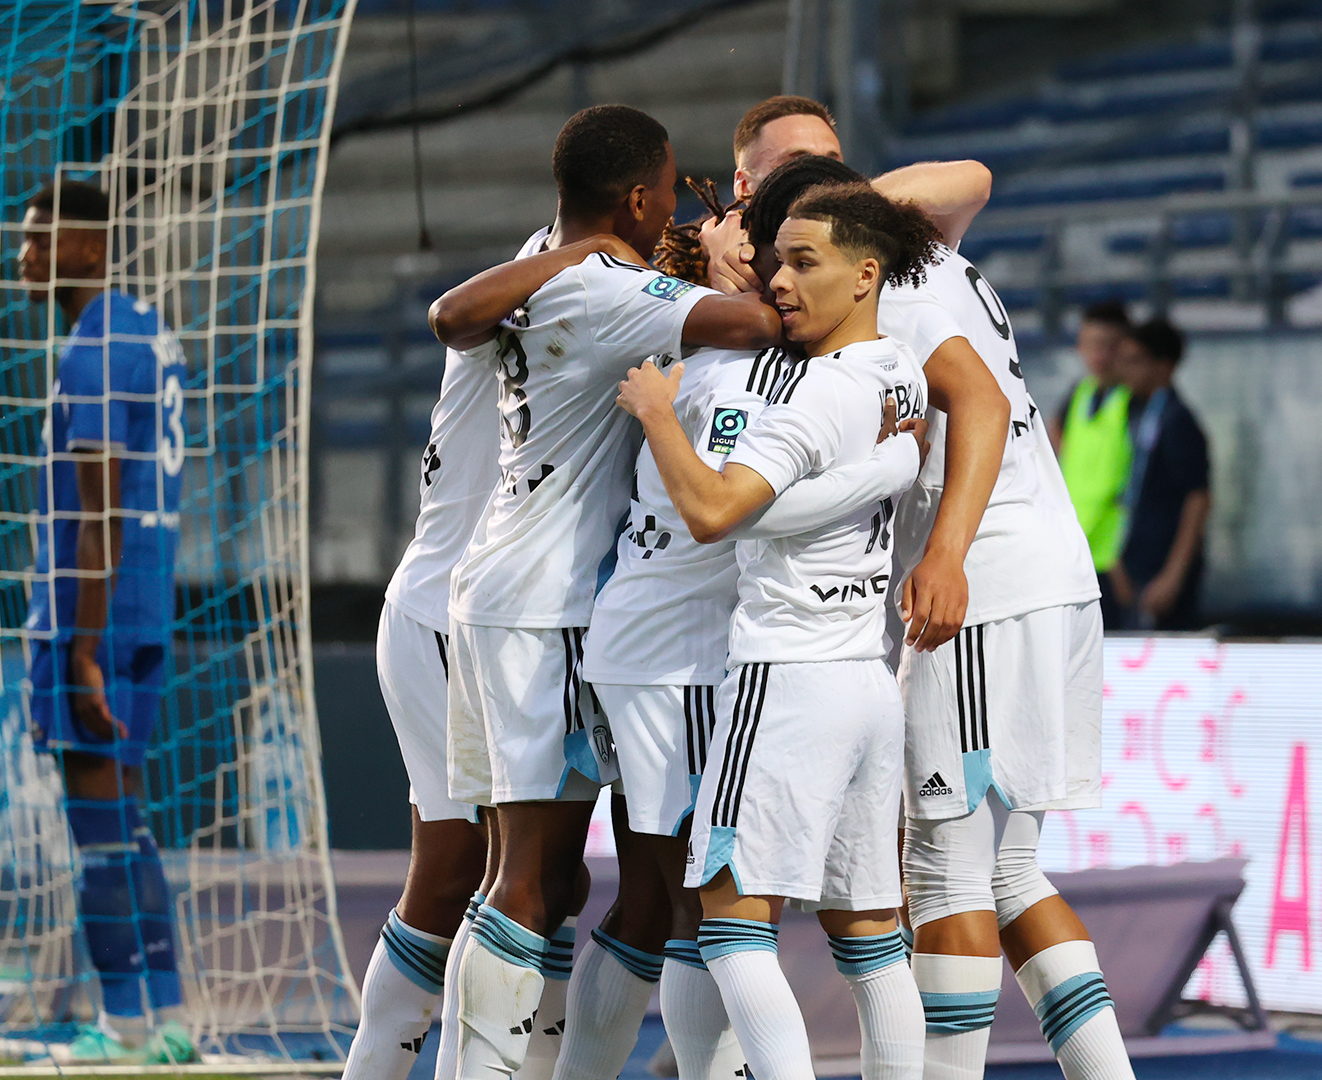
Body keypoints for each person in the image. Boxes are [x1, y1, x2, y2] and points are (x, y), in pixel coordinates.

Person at [735, 156, 1131, 1080]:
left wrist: (944, 553)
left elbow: (981, 403)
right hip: (1042, 573)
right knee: (1010, 875)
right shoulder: (927, 261)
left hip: (983, 583)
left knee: (948, 876)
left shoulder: (888, 293)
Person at [423, 104, 781, 1080]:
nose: (677, 204)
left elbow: (449, 316)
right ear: (636, 198)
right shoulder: (622, 291)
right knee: (529, 879)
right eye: (668, 191)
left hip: (506, 581)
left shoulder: (555, 278)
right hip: (544, 600)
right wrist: (707, 266)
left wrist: (582, 253)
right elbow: (760, 321)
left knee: (551, 875)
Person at [615, 181, 936, 1080]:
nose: (779, 280)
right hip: (866, 685)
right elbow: (876, 470)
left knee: (727, 923)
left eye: (803, 263)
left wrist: (652, 412)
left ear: (865, 274)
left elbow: (715, 511)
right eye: (775, 259)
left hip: (783, 678)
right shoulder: (898, 369)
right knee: (871, 932)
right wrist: (889, 465)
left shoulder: (819, 395)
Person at [342, 231, 634, 1080]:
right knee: (459, 875)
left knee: (557, 884)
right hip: (458, 612)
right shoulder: (564, 277)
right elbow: (454, 315)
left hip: (521, 615)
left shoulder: (573, 276)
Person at [702, 97, 1007, 654]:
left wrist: (943, 552)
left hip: (970, 572)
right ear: (746, 186)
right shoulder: (879, 263)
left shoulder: (867, 285)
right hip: (914, 594)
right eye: (798, 158)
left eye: (833, 159)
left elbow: (983, 403)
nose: (827, 174)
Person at [17, 178, 195, 1065]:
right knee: (126, 821)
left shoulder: (93, 348)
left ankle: (119, 1023)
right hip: (147, 599)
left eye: (41, 239)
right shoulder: (152, 336)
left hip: (94, 612)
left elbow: (97, 513)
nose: (25, 257)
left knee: (97, 831)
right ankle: (166, 1017)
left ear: (90, 245)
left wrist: (80, 648)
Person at [1114, 318, 1209, 631]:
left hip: (1161, 567)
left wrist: (1173, 575)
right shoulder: (1131, 411)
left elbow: (1198, 498)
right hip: (1132, 562)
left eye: (1135, 361)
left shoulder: (1177, 420)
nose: (1124, 369)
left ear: (1163, 366)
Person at [1049, 302, 1134, 629]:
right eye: (1092, 345)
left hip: (1116, 557)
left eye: (1110, 345)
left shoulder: (1135, 400)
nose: (1100, 355)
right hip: (1075, 550)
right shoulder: (1078, 395)